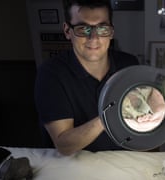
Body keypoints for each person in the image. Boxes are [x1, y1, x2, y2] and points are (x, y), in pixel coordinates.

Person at [34, 0, 139, 156]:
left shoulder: (129, 64)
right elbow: (64, 145)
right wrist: (109, 116)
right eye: (83, 29)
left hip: (122, 157)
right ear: (67, 31)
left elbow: (139, 113)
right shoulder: (51, 74)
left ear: (111, 32)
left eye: (102, 28)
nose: (94, 37)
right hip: (74, 164)